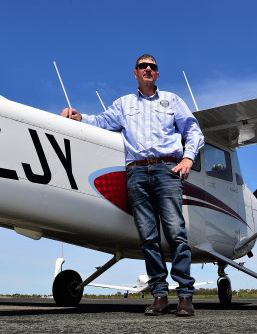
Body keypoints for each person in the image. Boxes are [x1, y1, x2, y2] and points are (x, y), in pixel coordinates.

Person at [61, 54, 204, 316]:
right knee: (148, 237)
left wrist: (187, 158)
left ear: (157, 74)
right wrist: (79, 118)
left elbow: (193, 130)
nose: (148, 69)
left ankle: (185, 296)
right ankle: (159, 295)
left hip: (166, 169)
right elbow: (103, 122)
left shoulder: (172, 100)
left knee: (176, 233)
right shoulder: (123, 104)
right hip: (136, 173)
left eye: (153, 67)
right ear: (135, 73)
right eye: (143, 66)